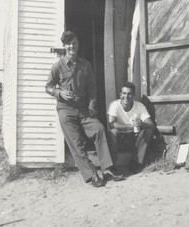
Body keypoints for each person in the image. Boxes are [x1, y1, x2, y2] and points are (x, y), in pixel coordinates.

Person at [45, 31, 124, 187]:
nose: (72, 46)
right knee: (76, 142)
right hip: (65, 109)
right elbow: (48, 87)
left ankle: (107, 169)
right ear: (64, 46)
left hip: (83, 108)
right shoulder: (57, 67)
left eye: (74, 43)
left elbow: (92, 88)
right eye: (68, 44)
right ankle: (92, 174)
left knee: (99, 129)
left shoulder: (85, 65)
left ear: (78, 44)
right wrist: (59, 92)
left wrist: (92, 106)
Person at [107, 82, 161, 173]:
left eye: (129, 94)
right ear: (120, 94)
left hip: (135, 137)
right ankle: (112, 165)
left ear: (134, 95)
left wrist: (141, 124)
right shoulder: (114, 105)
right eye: (124, 93)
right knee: (113, 132)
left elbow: (151, 125)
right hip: (121, 137)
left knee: (149, 131)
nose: (126, 96)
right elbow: (112, 124)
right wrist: (130, 126)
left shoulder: (139, 106)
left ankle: (136, 163)